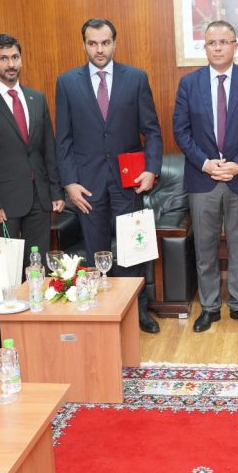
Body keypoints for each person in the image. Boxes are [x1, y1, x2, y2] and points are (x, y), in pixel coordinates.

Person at [54, 18, 164, 333]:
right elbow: (63, 139)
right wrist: (69, 183)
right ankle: (101, 314)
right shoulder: (67, 82)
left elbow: (152, 131)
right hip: (87, 185)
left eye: (105, 43)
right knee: (95, 252)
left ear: (114, 43)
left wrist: (151, 169)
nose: (99, 49)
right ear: (84, 44)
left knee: (133, 250)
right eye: (92, 43)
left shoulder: (136, 78)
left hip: (129, 181)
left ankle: (137, 312)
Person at [173, 20, 238, 332]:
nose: (217, 48)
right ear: (205, 47)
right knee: (205, 247)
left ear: (235, 46)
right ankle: (210, 307)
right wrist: (205, 164)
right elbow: (181, 131)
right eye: (211, 43)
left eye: (223, 42)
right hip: (203, 179)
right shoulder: (189, 84)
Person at [0, 34, 65, 255]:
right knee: (7, 268)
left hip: (39, 198)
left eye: (15, 57)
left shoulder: (37, 98)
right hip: (4, 203)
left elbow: (49, 148)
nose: (11, 64)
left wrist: (56, 191)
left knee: (38, 264)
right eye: (3, 58)